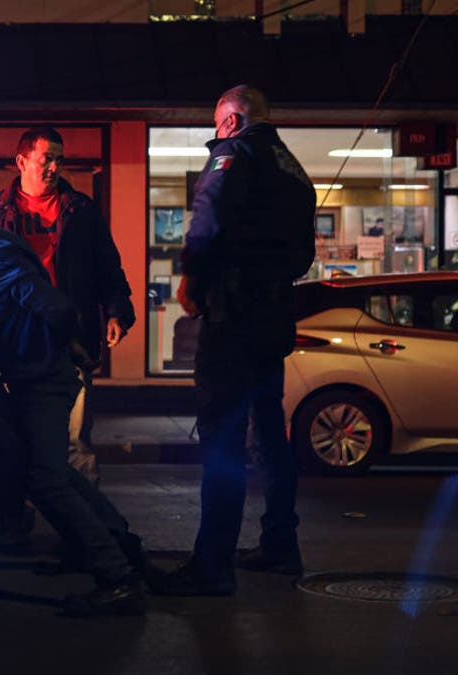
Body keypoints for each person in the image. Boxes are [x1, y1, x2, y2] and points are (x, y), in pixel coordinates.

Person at [0, 205, 151, 617]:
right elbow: (12, 312)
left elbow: (51, 307)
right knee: (57, 472)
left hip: (42, 377)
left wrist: (65, 344)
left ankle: (118, 577)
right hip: (37, 372)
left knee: (45, 481)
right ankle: (116, 546)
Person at [154, 85, 316, 596]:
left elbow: (208, 220)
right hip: (272, 317)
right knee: (270, 434)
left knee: (222, 438)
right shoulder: (293, 170)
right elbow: (304, 254)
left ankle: (212, 566)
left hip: (234, 316)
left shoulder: (232, 155)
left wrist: (192, 279)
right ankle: (280, 545)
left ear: (229, 121)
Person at [0, 126, 135, 485]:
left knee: (74, 438)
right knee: (11, 432)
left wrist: (116, 312)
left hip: (68, 338)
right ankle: (17, 522)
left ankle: (86, 530)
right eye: (47, 159)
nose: (54, 168)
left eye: (60, 161)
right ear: (22, 161)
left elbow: (107, 266)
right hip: (13, 340)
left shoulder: (79, 210)